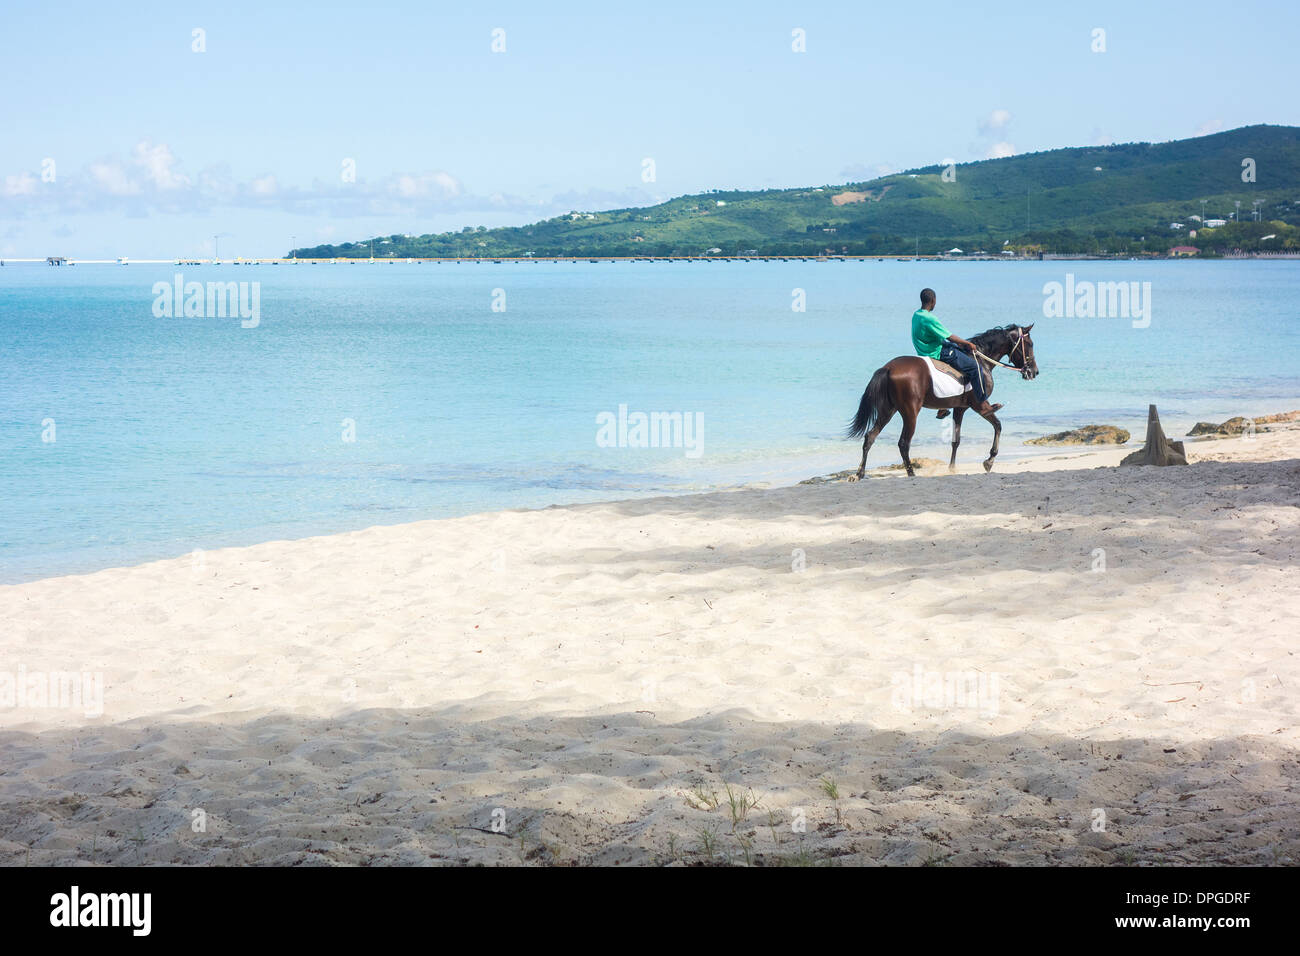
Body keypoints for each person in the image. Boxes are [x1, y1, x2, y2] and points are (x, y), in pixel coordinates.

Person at [910, 288, 1001, 414]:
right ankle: (983, 403)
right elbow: (950, 336)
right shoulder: (929, 318)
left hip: (923, 352)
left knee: (959, 353)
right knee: (976, 368)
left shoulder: (916, 315)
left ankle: (942, 407)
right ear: (933, 301)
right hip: (936, 352)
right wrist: (967, 343)